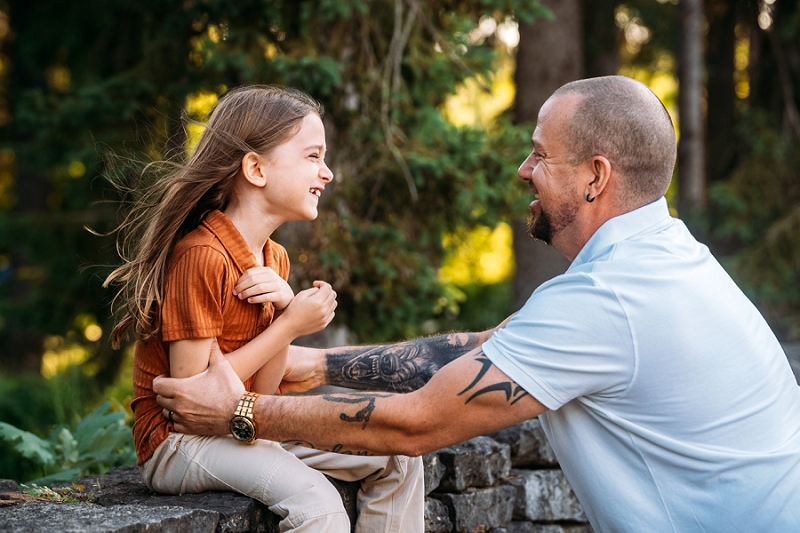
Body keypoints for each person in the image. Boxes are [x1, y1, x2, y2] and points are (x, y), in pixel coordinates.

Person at [153, 76, 800, 533]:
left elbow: (415, 424)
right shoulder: (658, 262)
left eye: (540, 155)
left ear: (595, 177)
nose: (523, 169)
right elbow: (472, 349)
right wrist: (312, 365)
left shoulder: (609, 300)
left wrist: (238, 408)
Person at [103, 86, 423, 533]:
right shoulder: (202, 255)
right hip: (178, 444)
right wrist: (290, 323)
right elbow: (193, 400)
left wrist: (284, 314)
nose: (327, 173)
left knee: (397, 456)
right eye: (313, 157)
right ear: (255, 168)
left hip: (240, 424)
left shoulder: (275, 259)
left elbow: (264, 395)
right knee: (320, 506)